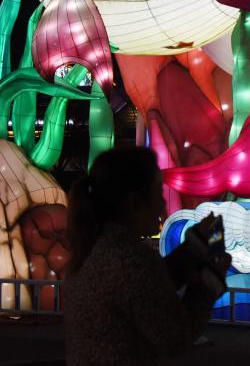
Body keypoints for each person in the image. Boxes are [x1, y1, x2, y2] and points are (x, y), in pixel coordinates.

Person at [63, 146, 229, 366]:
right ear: (134, 202)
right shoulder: (132, 260)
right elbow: (175, 339)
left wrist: (193, 247)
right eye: (158, 192)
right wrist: (208, 283)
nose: (163, 204)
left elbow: (147, 291)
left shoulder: (94, 247)